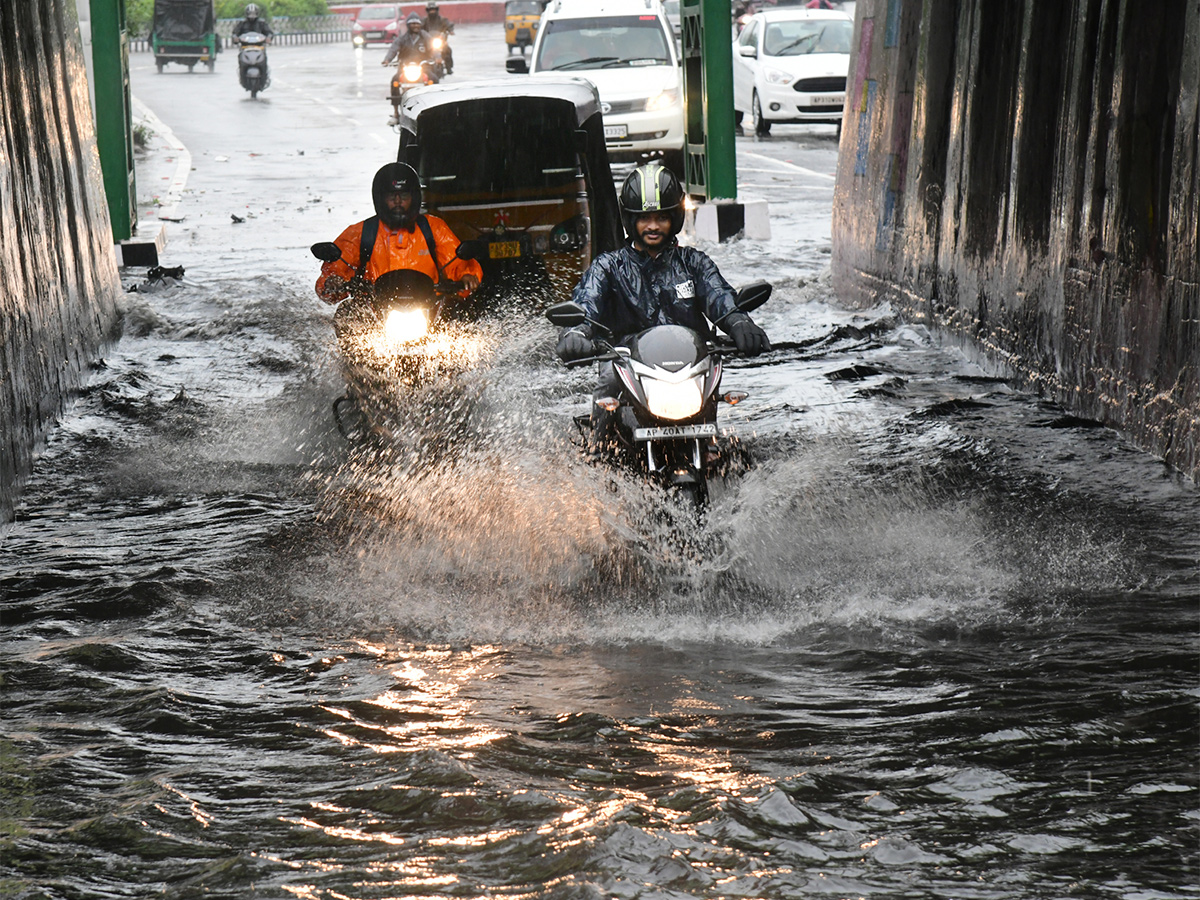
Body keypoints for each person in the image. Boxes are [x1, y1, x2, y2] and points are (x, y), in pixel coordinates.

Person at [555, 163, 770, 440]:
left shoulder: (694, 263)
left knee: (714, 376)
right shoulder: (609, 266)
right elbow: (587, 301)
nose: (653, 226)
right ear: (630, 220)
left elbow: (719, 296)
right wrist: (576, 332)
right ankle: (598, 453)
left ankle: (716, 450)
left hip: (692, 364)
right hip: (627, 361)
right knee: (608, 379)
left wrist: (739, 321)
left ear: (676, 218)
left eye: (661, 218)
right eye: (644, 218)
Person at [315, 163, 482, 334]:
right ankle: (352, 360)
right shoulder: (361, 233)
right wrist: (333, 281)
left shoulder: (434, 228)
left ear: (414, 197)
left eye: (403, 195)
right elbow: (336, 268)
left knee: (464, 314)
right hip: (374, 314)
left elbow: (457, 260)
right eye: (391, 196)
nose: (397, 201)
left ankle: (460, 360)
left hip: (429, 310)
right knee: (347, 314)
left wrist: (467, 276)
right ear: (380, 198)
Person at [421, 0, 454, 74]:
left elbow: (448, 25)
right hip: (428, 42)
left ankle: (449, 67)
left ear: (437, 10)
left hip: (440, 41)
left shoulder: (442, 19)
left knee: (448, 50)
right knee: (421, 51)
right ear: (428, 11)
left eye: (434, 10)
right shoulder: (425, 21)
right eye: (430, 10)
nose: (432, 12)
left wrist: (450, 30)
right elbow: (420, 27)